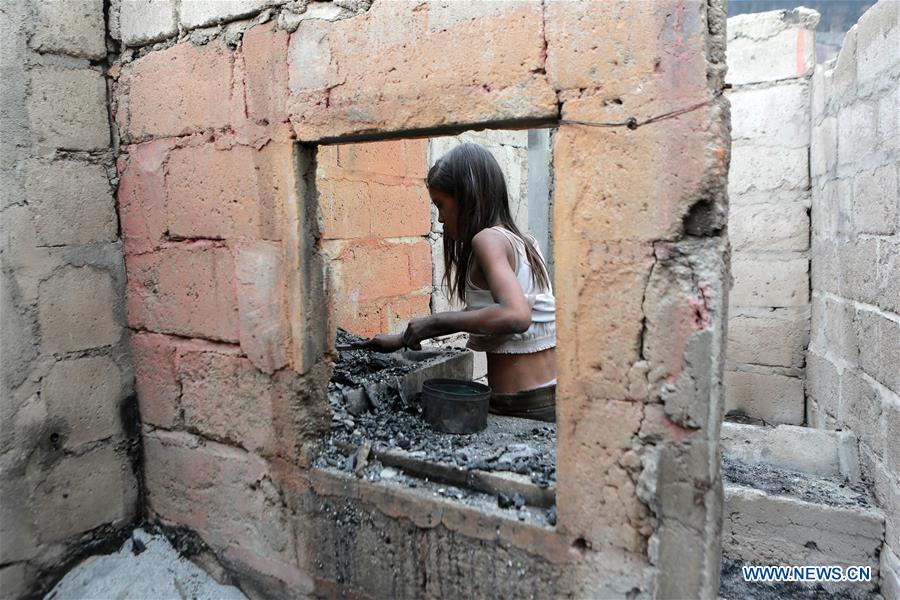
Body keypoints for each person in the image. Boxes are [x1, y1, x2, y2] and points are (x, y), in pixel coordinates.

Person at [352, 142, 557, 422]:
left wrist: (435, 323)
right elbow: (491, 313)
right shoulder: (525, 241)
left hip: (522, 408)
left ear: (468, 197)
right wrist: (407, 336)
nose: (439, 218)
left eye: (441, 205)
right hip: (546, 399)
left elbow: (515, 316)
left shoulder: (488, 240)